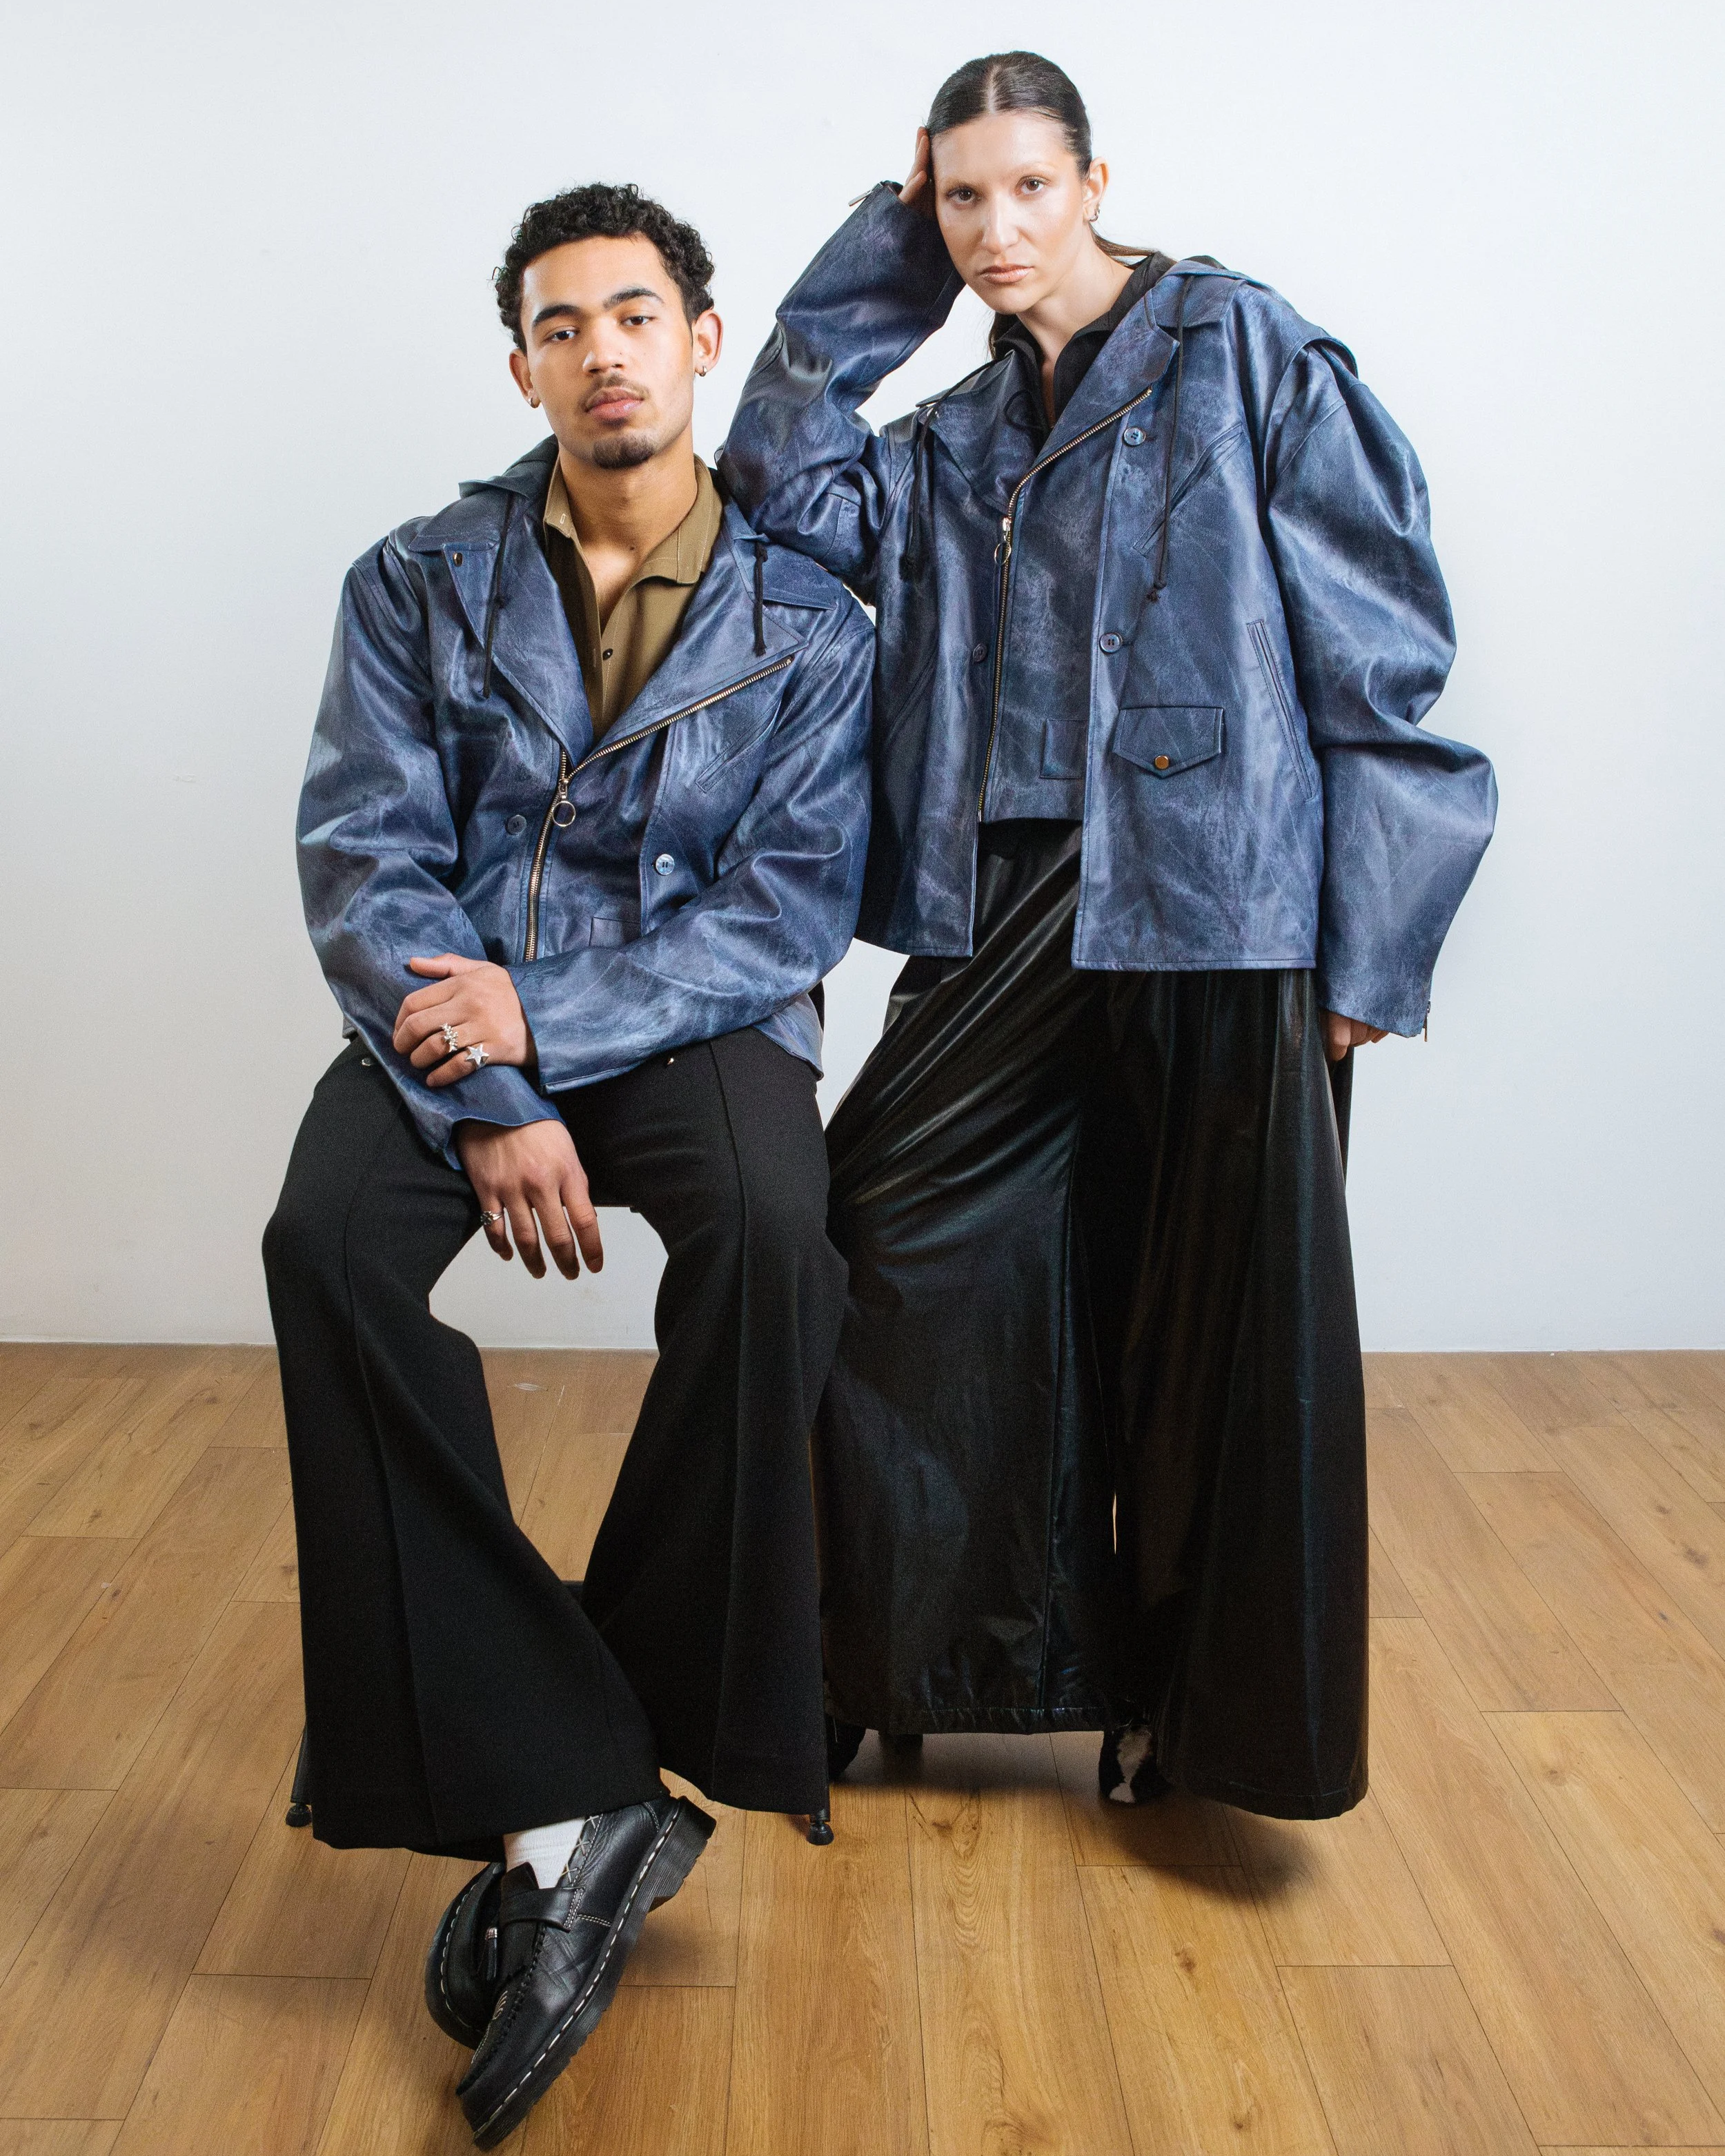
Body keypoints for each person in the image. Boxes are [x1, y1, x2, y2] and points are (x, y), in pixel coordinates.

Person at [720, 52, 1496, 1821]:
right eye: (958, 199)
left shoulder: (1241, 349)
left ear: (1092, 182)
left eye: (1023, 190)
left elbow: (1377, 644)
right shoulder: (955, 438)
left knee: (1202, 1322)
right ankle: (913, 1653)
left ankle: (1186, 1715)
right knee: (882, 1225)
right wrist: (879, 248)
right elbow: (774, 471)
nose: (994, 230)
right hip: (1006, 902)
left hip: (1222, 897)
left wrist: (1366, 941)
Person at [262, 182, 871, 2147]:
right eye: (559, 323)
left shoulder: (814, 621)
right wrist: (488, 1093)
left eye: (636, 313)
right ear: (516, 363)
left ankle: (606, 1730)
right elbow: (365, 857)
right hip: (458, 1020)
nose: (601, 350)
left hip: (684, 1019)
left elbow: (784, 912)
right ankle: (571, 1785)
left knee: (782, 1230)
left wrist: (560, 1026)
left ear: (704, 341)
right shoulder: (411, 578)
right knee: (328, 1239)